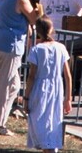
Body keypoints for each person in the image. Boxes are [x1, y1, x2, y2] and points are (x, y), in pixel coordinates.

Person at [0, 0, 44, 137]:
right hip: (11, 46)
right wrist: (40, 11)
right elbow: (35, 20)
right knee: (6, 86)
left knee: (14, 85)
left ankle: (1, 121)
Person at [24, 16, 72, 153]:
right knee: (53, 117)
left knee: (40, 118)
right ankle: (51, 146)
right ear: (51, 29)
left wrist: (26, 97)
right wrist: (68, 97)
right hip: (57, 87)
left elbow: (32, 76)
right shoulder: (61, 48)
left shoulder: (36, 49)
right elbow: (67, 75)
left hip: (40, 87)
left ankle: (47, 146)